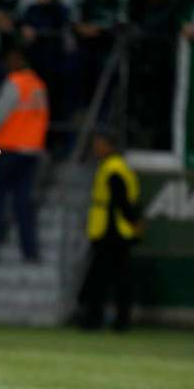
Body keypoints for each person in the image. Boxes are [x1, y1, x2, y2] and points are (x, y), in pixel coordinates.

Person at [0, 49, 49, 262]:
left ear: (17, 59)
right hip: (31, 151)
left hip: (10, 148)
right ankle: (30, 252)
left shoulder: (14, 82)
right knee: (24, 203)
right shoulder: (38, 85)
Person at [78, 132, 140, 331]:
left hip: (112, 231)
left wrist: (133, 221)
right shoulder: (113, 166)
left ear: (109, 146)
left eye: (99, 144)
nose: (96, 149)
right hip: (112, 230)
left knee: (104, 278)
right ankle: (114, 321)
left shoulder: (113, 169)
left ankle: (98, 320)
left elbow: (121, 201)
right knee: (114, 277)